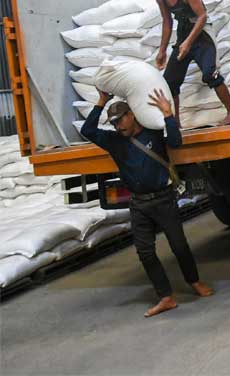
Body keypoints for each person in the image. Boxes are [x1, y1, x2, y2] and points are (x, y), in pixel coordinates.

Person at [80, 88, 214, 317]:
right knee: (145, 252)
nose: (117, 126)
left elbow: (176, 141)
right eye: (113, 123)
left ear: (132, 114)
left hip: (163, 200)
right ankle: (166, 297)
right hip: (139, 204)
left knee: (179, 245)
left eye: (120, 120)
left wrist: (168, 115)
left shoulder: (152, 134)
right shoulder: (114, 141)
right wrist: (101, 102)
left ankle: (194, 281)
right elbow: (88, 130)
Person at [138, 0, 230, 127]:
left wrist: (188, 43)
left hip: (202, 36)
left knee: (210, 74)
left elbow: (202, 16)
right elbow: (167, 22)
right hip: (184, 35)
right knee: (170, 81)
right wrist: (162, 51)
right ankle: (175, 122)